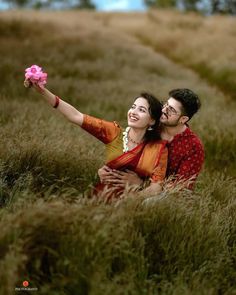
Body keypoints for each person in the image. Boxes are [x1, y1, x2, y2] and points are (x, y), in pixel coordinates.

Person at [24, 79, 168, 200]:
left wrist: (138, 187)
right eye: (133, 107)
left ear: (152, 121)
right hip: (100, 198)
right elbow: (75, 116)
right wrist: (42, 91)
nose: (133, 112)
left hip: (133, 204)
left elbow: (156, 187)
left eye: (141, 110)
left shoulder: (158, 149)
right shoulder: (114, 132)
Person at [98, 88, 204, 191]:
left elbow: (181, 188)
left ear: (183, 119)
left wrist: (141, 184)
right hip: (126, 182)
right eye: (166, 104)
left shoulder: (193, 147)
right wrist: (109, 169)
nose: (163, 110)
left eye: (171, 110)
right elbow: (127, 145)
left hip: (160, 198)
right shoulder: (152, 124)